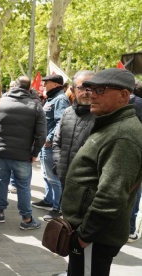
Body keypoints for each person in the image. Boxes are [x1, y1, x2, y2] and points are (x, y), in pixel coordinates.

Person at [62, 68, 142, 276]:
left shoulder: (121, 134)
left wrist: (83, 237)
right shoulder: (110, 125)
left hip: (94, 239)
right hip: (89, 234)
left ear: (124, 95)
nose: (91, 94)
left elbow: (111, 196)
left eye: (100, 90)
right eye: (90, 89)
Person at [50, 70, 95, 276]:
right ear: (73, 90)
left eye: (91, 87)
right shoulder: (67, 113)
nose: (87, 92)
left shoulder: (100, 116)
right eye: (82, 87)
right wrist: (59, 165)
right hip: (65, 183)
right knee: (70, 236)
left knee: (85, 242)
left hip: (88, 192)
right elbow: (57, 142)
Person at [0, 76, 46, 229]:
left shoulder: (0, 102)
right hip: (22, 155)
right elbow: (41, 134)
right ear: (29, 89)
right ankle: (27, 219)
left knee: (0, 183)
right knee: (23, 187)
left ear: (13, 86)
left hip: (0, 153)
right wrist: (34, 153)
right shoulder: (35, 106)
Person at [32, 74, 70, 221]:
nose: (44, 85)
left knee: (54, 178)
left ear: (54, 84)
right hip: (44, 144)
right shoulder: (52, 98)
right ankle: (49, 200)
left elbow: (62, 122)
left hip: (49, 144)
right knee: (46, 176)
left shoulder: (60, 99)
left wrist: (49, 139)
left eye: (46, 83)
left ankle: (57, 209)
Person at [127, 78, 142, 243]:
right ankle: (130, 230)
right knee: (134, 192)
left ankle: (129, 229)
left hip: (132, 152)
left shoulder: (131, 103)